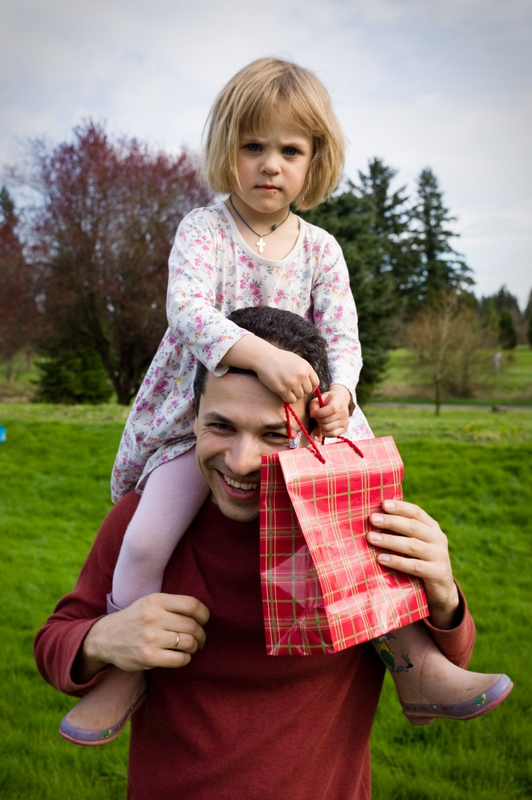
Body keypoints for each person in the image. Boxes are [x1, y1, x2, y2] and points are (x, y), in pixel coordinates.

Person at [56, 59, 511, 745]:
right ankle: (126, 669)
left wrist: (342, 391)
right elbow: (187, 310)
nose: (270, 165)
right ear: (227, 149)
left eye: (290, 150)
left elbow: (343, 338)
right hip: (202, 417)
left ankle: (416, 665)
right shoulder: (205, 230)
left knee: (361, 529)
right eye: (253, 145)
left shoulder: (321, 250)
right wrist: (258, 354)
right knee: (147, 535)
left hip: (300, 425)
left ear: (314, 161)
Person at [36, 308, 512, 799]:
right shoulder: (145, 522)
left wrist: (442, 594)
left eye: (274, 435)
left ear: (317, 432)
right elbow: (53, 642)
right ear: (193, 415)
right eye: (221, 426)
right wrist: (101, 640)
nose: (241, 462)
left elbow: (446, 668)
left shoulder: (356, 527)